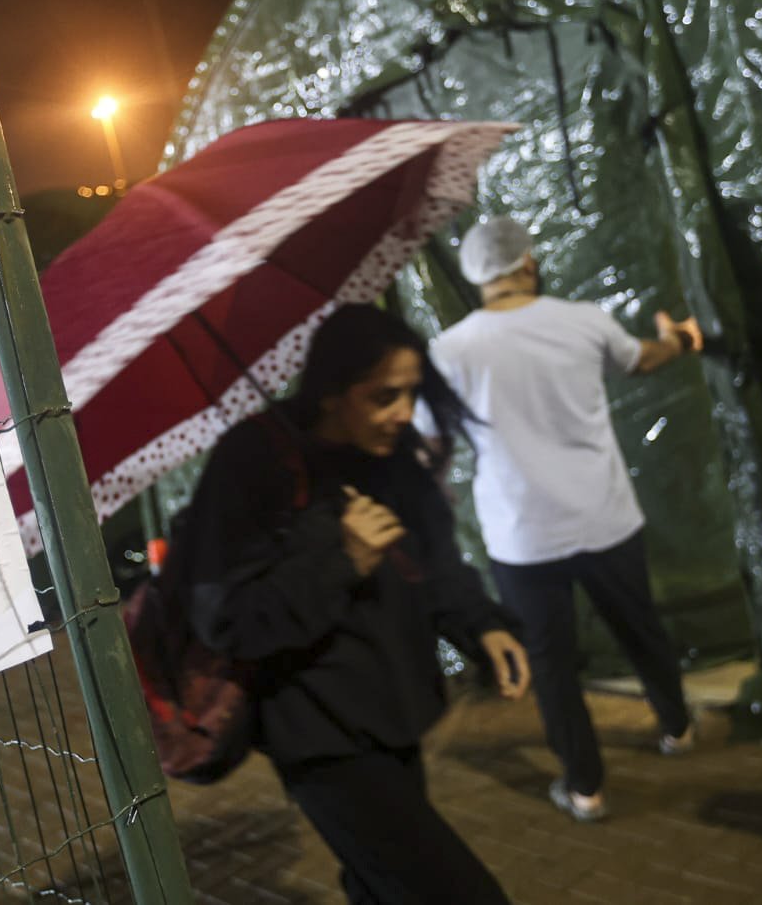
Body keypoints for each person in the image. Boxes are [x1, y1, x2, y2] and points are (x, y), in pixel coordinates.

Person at [181, 302, 530, 905]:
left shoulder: (391, 458)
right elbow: (227, 618)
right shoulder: (254, 460)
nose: (403, 414)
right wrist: (342, 559)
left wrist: (482, 626)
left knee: (378, 885)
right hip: (321, 735)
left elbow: (436, 562)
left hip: (395, 711)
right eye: (383, 396)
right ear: (330, 393)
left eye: (410, 394)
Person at [428, 216, 702, 824]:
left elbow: (429, 446)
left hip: (523, 538)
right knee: (640, 630)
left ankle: (585, 788)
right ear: (526, 263)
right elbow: (641, 361)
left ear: (477, 278)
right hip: (604, 516)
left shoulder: (449, 351)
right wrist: (680, 338)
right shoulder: (583, 320)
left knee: (551, 664)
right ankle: (678, 729)